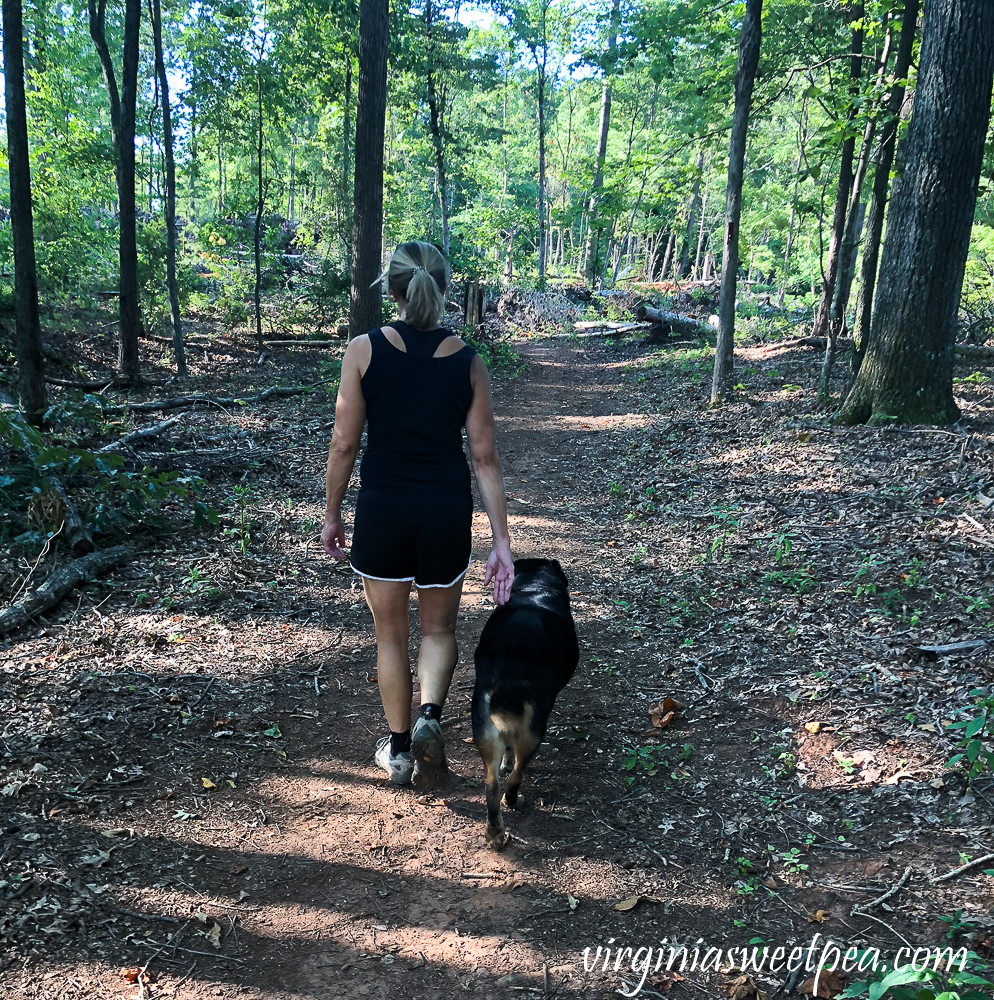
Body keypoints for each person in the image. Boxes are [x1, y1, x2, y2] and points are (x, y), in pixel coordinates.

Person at [321, 241, 514, 785]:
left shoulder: (363, 351)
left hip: (383, 510)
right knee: (438, 628)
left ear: (393, 289)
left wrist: (332, 512)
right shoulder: (469, 362)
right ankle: (431, 717)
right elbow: (483, 456)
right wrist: (502, 541)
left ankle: (400, 750)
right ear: (445, 287)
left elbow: (343, 444)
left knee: (390, 635)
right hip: (444, 511)